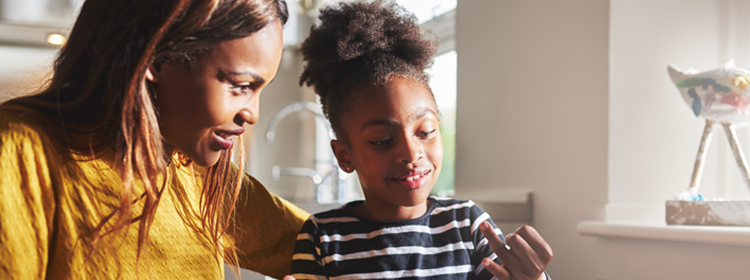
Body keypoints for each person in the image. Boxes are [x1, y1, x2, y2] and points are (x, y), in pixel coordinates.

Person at [0, 0, 309, 279]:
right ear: (156, 59)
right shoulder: (22, 150)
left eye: (260, 89)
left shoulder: (200, 176)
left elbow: (333, 245)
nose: (252, 114)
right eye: (240, 85)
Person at [290, 1, 553, 279]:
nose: (411, 152)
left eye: (425, 132)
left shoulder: (467, 223)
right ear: (345, 156)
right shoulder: (322, 236)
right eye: (382, 140)